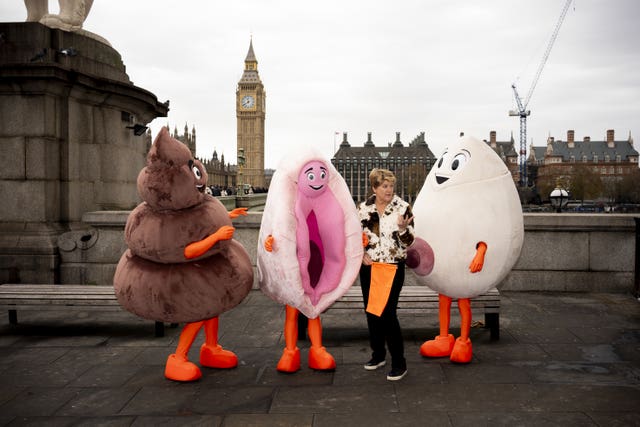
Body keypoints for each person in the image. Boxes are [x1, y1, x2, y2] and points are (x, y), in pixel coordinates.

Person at [358, 168, 415, 381]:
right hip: (370, 267)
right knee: (372, 312)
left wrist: (402, 229)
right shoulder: (363, 209)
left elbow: (410, 242)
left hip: (393, 266)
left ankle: (399, 363)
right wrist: (361, 253)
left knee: (388, 314)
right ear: (374, 188)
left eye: (391, 185)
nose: (389, 190)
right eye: (384, 186)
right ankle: (378, 355)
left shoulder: (403, 208)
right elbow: (356, 236)